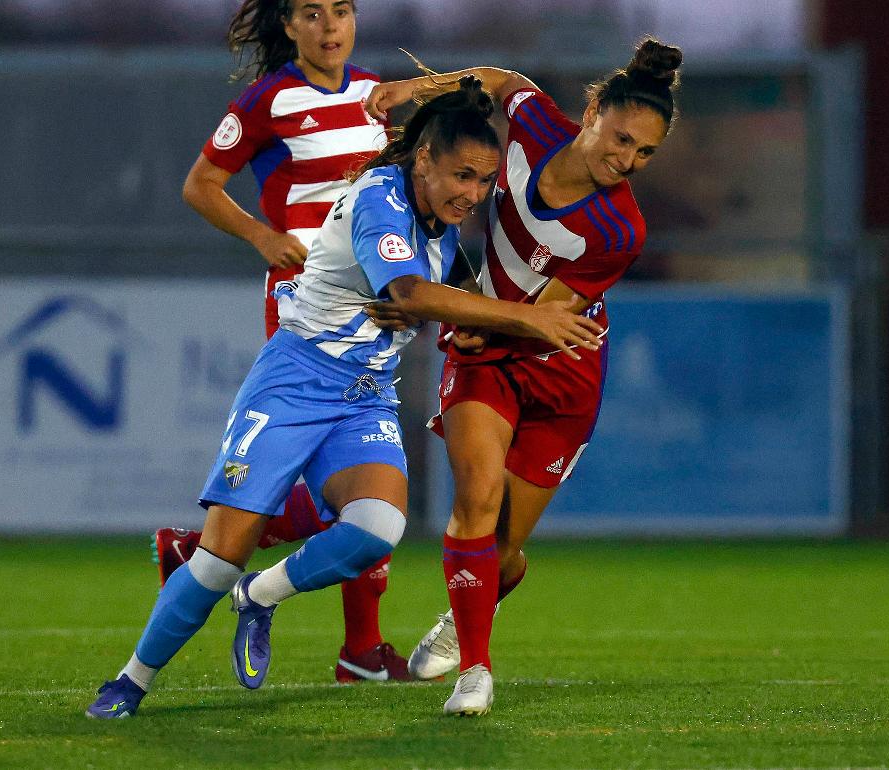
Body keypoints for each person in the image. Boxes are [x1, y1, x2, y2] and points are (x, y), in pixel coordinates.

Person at [85, 79, 604, 719]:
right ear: (423, 159)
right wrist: (527, 318)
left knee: (377, 528)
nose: (472, 195)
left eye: (483, 181)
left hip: (364, 396)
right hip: (295, 382)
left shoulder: (440, 222)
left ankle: (261, 595)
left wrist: (466, 320)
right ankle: (130, 681)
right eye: (461, 176)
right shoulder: (381, 200)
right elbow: (410, 293)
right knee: (217, 561)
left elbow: (441, 297)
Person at [362, 37, 682, 715]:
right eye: (621, 138)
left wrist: (468, 315)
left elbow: (546, 317)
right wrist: (416, 90)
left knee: (503, 550)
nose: (626, 160)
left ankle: (465, 616)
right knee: (475, 501)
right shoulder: (533, 123)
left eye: (644, 153)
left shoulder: (620, 228)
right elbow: (498, 77)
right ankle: (476, 672)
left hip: (562, 368)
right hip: (489, 354)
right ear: (591, 112)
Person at [162, 0, 410, 683]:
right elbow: (200, 184)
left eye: (341, 10)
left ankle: (201, 552)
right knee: (358, 471)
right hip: (303, 303)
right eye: (312, 13)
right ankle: (361, 648)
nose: (330, 26)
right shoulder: (268, 99)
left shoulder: (374, 92)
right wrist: (262, 236)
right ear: (289, 26)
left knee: (367, 471)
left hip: (373, 302)